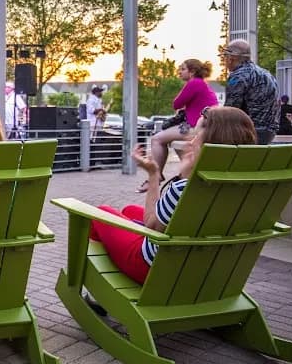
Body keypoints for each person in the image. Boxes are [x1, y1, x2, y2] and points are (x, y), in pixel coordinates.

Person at [90, 107, 257, 285]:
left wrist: (153, 174)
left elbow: (151, 226)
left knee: (100, 213)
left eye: (196, 135)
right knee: (129, 211)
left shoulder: (183, 189)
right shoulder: (246, 190)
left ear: (209, 144)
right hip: (208, 268)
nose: (191, 142)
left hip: (155, 269)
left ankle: (98, 286)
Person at [138, 59, 218, 193]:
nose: (179, 72)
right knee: (175, 143)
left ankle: (156, 176)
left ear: (192, 72)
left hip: (196, 127)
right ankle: (186, 177)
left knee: (157, 139)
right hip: (204, 125)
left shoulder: (194, 83)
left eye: (182, 69)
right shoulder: (202, 84)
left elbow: (176, 103)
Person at [222, 39, 279, 145]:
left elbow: (230, 112)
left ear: (231, 58)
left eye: (224, 56)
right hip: (269, 133)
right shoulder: (267, 74)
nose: (224, 60)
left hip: (248, 133)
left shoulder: (238, 76)